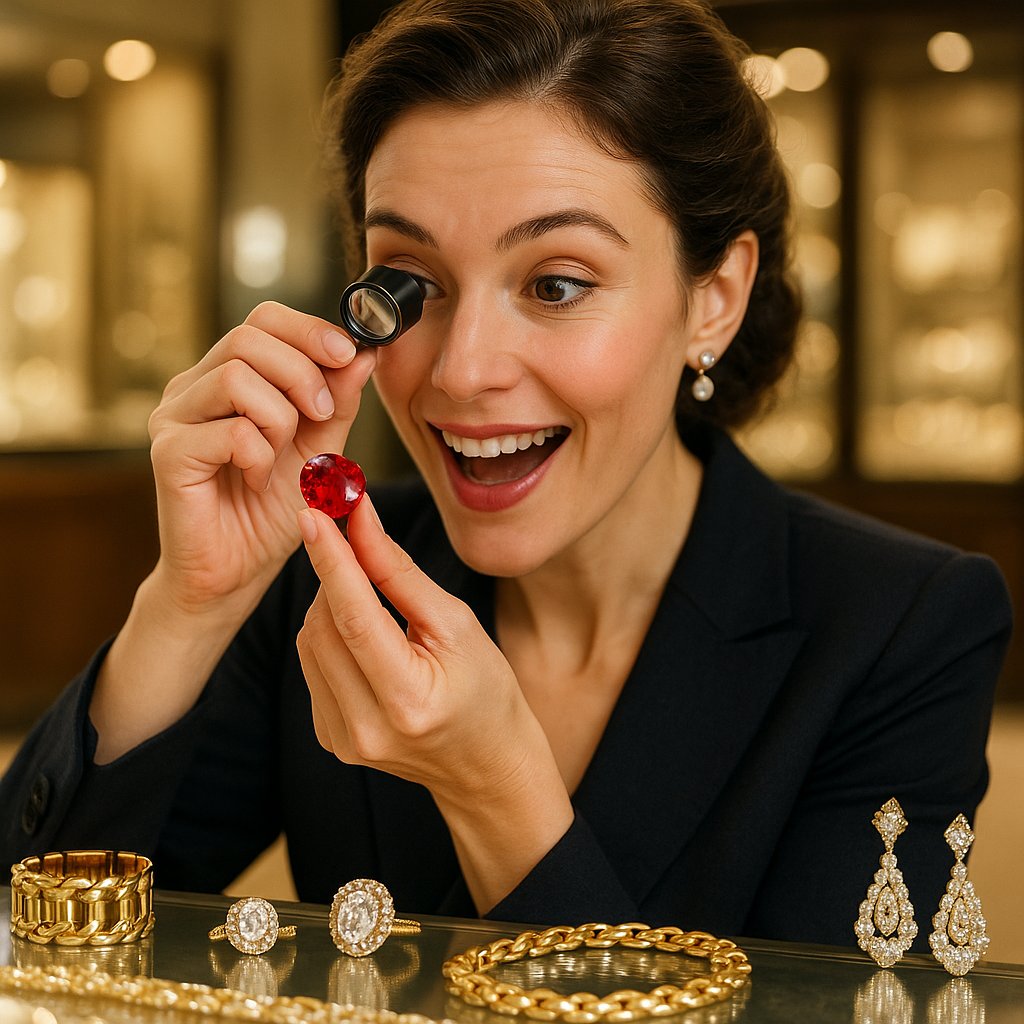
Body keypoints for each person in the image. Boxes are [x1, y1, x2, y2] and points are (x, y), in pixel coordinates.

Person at [0, 0, 1011, 949]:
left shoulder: (899, 626)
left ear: (713, 297)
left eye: (556, 284)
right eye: (413, 284)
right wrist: (186, 608)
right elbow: (38, 942)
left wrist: (496, 792)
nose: (460, 368)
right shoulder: (323, 578)